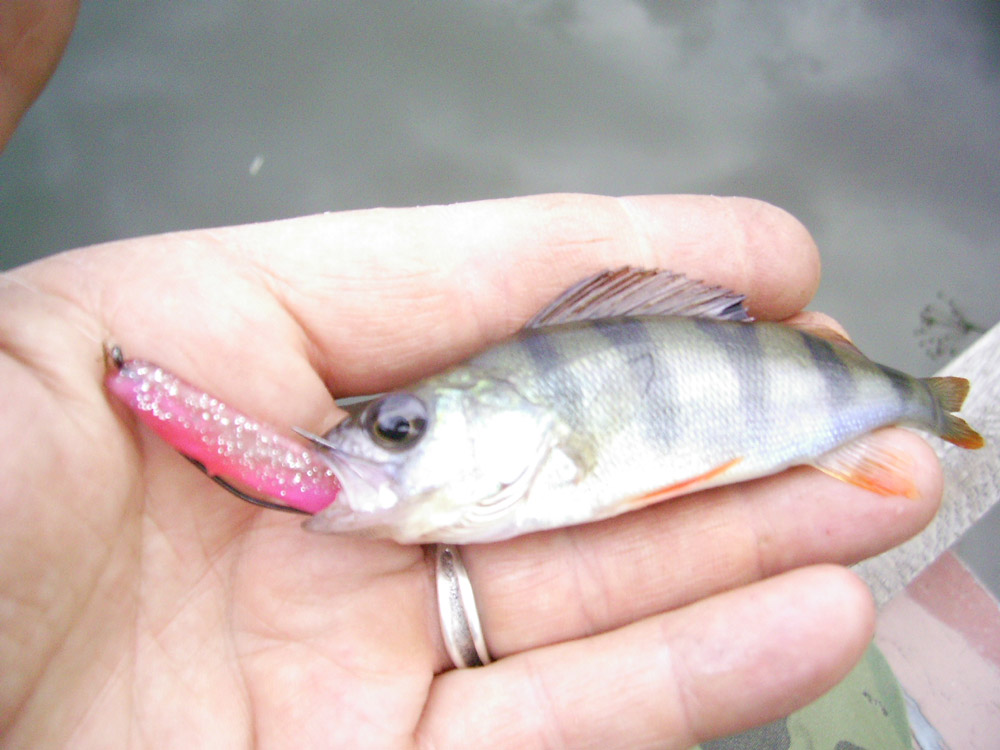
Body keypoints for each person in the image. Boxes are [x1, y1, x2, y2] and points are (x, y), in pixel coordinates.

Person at [0, 6, 942, 748]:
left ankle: (928, 405)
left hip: (809, 415)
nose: (372, 444)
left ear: (508, 415)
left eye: (398, 426)